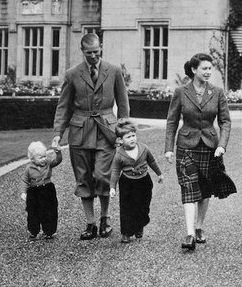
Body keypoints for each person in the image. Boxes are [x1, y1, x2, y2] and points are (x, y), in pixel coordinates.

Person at [51, 33, 129, 240]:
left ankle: (105, 218)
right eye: (89, 53)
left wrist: (124, 130)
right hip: (80, 130)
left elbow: (123, 104)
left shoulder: (113, 71)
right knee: (83, 178)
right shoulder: (72, 74)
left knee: (103, 175)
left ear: (101, 48)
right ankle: (91, 223)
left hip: (107, 130)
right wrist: (58, 134)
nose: (93, 56)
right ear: (82, 51)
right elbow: (63, 107)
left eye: (96, 52)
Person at [165, 53, 235, 251]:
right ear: (194, 70)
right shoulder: (181, 92)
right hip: (186, 145)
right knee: (188, 187)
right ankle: (189, 234)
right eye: (204, 68)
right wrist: (168, 149)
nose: (208, 72)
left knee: (204, 190)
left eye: (210, 69)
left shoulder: (217, 92)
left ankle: (199, 227)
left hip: (210, 146)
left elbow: (225, 121)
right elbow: (171, 121)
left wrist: (222, 145)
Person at [109, 119, 163, 243]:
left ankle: (139, 225)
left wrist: (159, 174)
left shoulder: (144, 148)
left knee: (143, 205)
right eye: (128, 137)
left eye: (133, 135)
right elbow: (115, 171)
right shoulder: (119, 155)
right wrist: (112, 187)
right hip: (127, 183)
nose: (132, 139)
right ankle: (126, 233)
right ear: (121, 140)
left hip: (144, 181)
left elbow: (152, 161)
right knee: (127, 208)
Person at [19, 141, 62, 241]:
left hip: (47, 189)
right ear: (32, 159)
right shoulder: (29, 168)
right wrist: (23, 192)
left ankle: (49, 231)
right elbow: (24, 180)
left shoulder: (48, 164)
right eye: (40, 157)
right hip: (34, 192)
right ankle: (33, 231)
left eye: (44, 156)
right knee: (33, 211)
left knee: (49, 210)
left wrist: (58, 153)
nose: (44, 159)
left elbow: (57, 161)